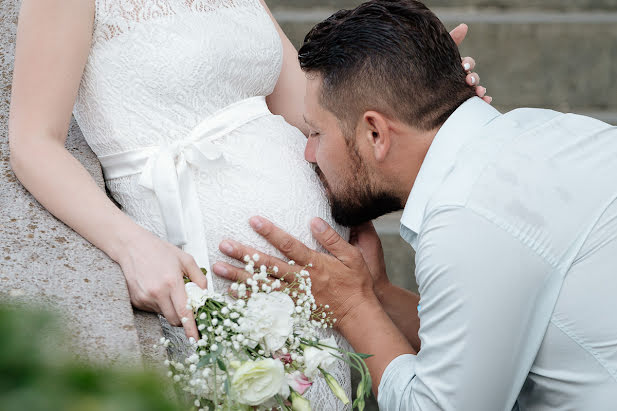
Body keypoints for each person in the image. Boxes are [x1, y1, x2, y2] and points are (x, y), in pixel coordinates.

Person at [7, 0, 487, 407]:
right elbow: (33, 142)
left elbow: (307, 107)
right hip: (205, 269)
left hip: (318, 285)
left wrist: (420, 94)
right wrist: (131, 246)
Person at [213, 1, 617, 410]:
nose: (309, 153)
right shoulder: (543, 127)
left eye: (315, 131)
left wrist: (353, 307)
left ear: (375, 133)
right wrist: (379, 293)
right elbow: (479, 339)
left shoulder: (466, 219)